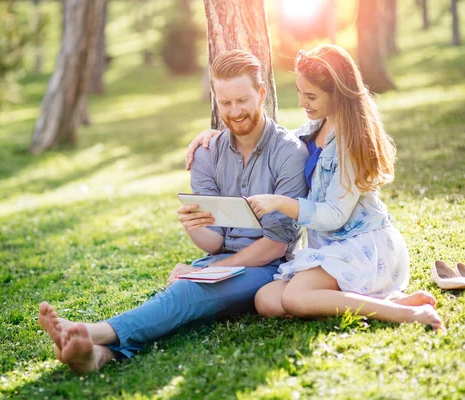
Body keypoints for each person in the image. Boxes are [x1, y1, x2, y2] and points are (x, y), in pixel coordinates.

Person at [38, 49, 309, 373]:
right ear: (215, 99)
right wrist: (193, 227)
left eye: (242, 100)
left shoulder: (289, 153)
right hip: (220, 260)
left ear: (262, 93)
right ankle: (97, 356)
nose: (234, 112)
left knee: (187, 293)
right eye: (225, 103)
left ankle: (94, 331)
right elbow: (214, 242)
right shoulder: (207, 154)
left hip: (271, 268)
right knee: (178, 300)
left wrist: (208, 272)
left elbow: (277, 244)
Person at [185, 45, 445, 332]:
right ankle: (392, 303)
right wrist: (217, 134)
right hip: (330, 250)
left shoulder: (350, 142)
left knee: (295, 297)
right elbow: (278, 141)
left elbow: (334, 215)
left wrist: (280, 203)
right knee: (267, 300)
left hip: (363, 247)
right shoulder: (312, 130)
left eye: (310, 96)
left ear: (338, 94)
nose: (301, 103)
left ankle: (405, 314)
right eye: (299, 92)